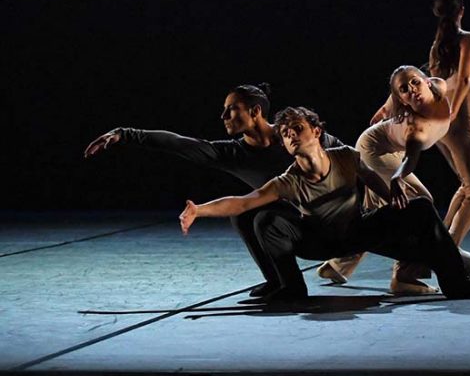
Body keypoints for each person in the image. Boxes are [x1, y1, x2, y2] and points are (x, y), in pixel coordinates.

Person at [179, 106, 470, 302]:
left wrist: (397, 201)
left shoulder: (345, 156)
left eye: (298, 129)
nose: (291, 136)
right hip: (318, 240)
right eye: (286, 134)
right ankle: (291, 288)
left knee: (421, 209)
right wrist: (199, 210)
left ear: (316, 132)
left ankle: (458, 283)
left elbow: (378, 184)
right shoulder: (287, 180)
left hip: (358, 231)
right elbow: (243, 202)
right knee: (265, 220)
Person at [83, 83, 346, 297]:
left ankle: (293, 289)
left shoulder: (295, 133)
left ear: (255, 111)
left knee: (265, 218)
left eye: (231, 110)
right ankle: (277, 280)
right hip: (293, 223)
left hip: (328, 222)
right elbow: (179, 143)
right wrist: (124, 133)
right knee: (243, 215)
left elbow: (347, 160)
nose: (223, 117)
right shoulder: (232, 152)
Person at [321, 66, 470, 295]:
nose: (413, 90)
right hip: (375, 151)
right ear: (402, 100)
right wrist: (397, 177)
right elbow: (410, 161)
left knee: (383, 213)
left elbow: (462, 80)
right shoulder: (417, 129)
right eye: (404, 90)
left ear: (427, 82)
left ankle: (339, 266)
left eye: (415, 82)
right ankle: (404, 276)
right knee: (418, 205)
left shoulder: (440, 85)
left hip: (390, 146)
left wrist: (385, 109)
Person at [370, 0, 470, 246]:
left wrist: (387, 106)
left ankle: (438, 238)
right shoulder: (469, 39)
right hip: (461, 121)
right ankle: (446, 252)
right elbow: (466, 79)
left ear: (436, 12)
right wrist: (455, 112)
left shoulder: (438, 46)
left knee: (467, 184)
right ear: (462, 11)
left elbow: (423, 78)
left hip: (441, 125)